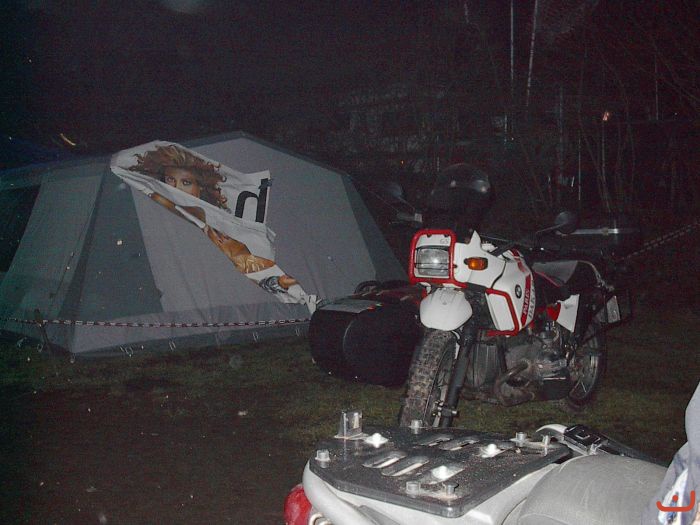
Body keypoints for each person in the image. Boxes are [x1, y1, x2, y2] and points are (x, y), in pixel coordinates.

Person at [128, 144, 298, 292]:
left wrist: (277, 283)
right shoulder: (155, 209)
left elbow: (249, 263)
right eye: (170, 180)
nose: (176, 188)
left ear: (200, 187)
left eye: (186, 183)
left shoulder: (217, 227)